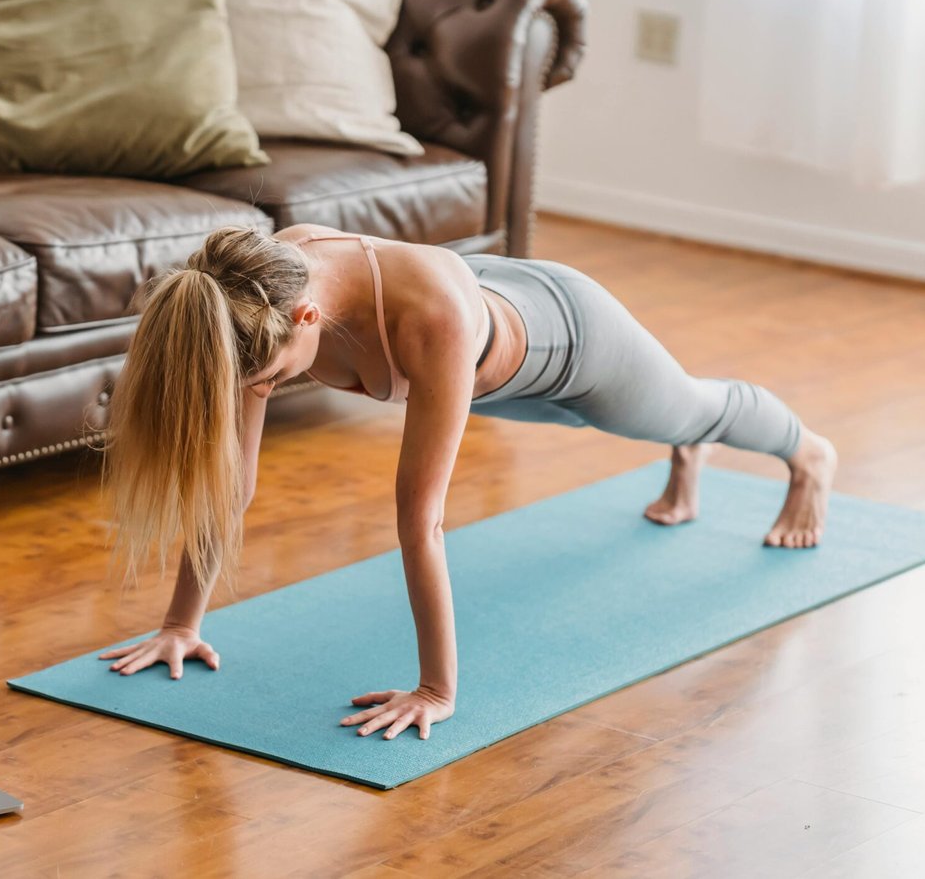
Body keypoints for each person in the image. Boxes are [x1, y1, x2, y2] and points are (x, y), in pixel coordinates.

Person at [92, 222, 837, 742]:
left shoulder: (428, 324)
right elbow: (236, 483)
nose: (262, 390)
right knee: (654, 422)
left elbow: (421, 521)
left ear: (309, 316)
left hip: (569, 339)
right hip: (485, 335)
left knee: (690, 407)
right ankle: (685, 448)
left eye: (272, 377)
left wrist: (435, 691)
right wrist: (182, 624)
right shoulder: (256, 291)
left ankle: (808, 455)